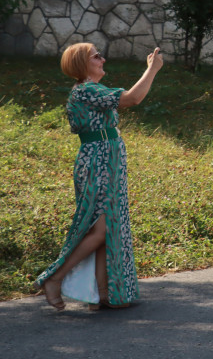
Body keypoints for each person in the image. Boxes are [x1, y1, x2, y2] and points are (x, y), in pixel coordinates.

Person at [34, 43, 163, 311]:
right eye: (96, 56)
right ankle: (54, 279)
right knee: (103, 226)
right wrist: (152, 69)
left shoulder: (93, 90)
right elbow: (132, 98)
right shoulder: (86, 90)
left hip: (107, 160)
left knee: (107, 226)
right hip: (98, 161)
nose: (102, 59)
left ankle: (104, 294)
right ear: (83, 63)